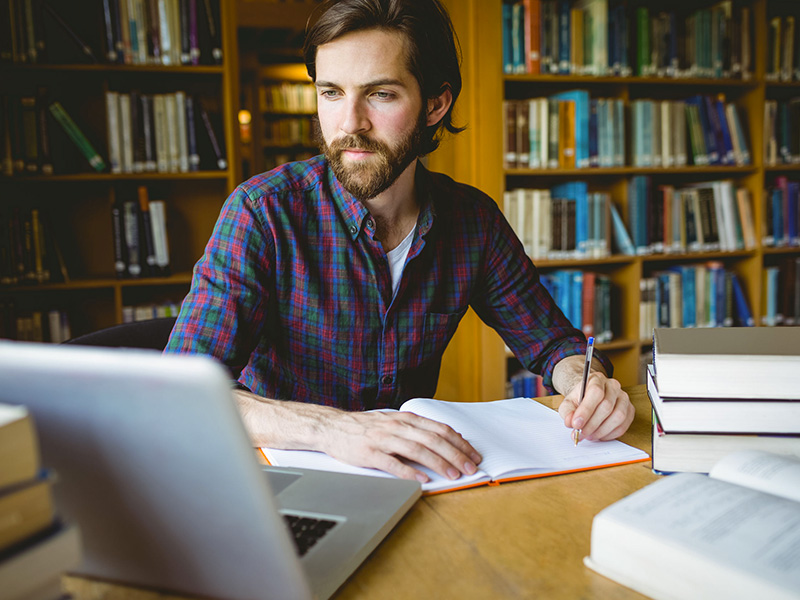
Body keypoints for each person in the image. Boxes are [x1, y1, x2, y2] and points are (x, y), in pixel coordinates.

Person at [165, 0, 634, 484]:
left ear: (435, 104)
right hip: (284, 482)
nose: (349, 123)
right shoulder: (262, 213)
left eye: (380, 95)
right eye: (331, 92)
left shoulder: (472, 221)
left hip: (415, 486)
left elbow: (555, 343)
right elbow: (180, 395)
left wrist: (587, 382)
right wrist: (335, 429)